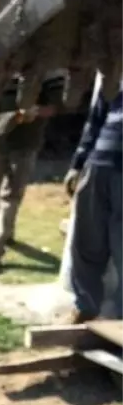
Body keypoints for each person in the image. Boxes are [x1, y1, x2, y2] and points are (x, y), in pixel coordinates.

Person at [0, 73, 64, 273]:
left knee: (10, 196)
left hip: (25, 145)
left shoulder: (45, 75)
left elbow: (55, 107)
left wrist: (34, 112)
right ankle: (4, 233)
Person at [65, 69, 123, 323]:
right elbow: (95, 120)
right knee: (87, 240)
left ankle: (120, 317)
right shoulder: (116, 73)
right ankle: (86, 306)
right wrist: (77, 165)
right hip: (99, 165)